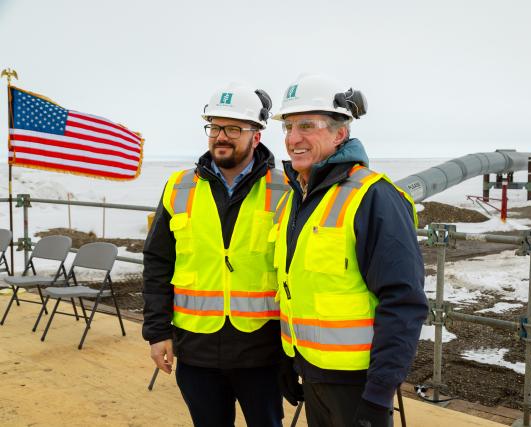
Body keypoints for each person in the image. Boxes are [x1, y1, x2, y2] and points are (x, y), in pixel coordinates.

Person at [270, 74, 428, 427]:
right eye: (289, 127)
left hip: (358, 383)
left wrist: (379, 392)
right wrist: (286, 359)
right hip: (311, 371)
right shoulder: (297, 198)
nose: (293, 138)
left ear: (340, 133)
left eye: (307, 126)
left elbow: (403, 301)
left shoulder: (373, 197)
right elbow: (292, 286)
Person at [142, 82, 289, 427]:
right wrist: (157, 332)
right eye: (215, 127)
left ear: (256, 135)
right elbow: (158, 263)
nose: (221, 136)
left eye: (234, 128)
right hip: (197, 352)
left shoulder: (285, 189)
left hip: (262, 353)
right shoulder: (179, 187)